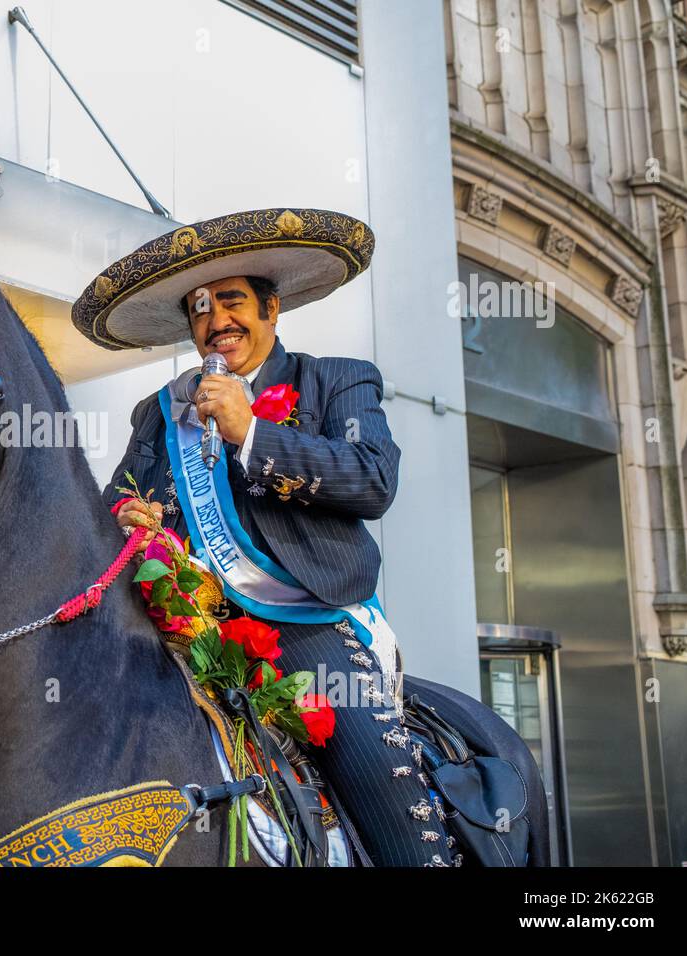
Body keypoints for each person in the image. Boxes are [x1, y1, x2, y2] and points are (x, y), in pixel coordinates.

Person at [72, 207, 458, 866]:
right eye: (200, 307)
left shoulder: (335, 381)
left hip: (306, 622)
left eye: (232, 300)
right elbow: (115, 511)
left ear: (271, 309)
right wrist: (134, 526)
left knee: (386, 801)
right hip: (197, 621)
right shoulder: (161, 412)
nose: (216, 318)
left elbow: (374, 481)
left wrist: (253, 433)